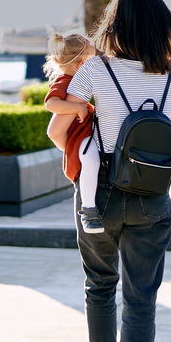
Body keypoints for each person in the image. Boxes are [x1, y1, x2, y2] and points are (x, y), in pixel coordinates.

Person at [60, 0, 171, 342]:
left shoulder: (96, 69)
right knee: (141, 299)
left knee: (100, 286)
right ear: (162, 24)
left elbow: (63, 123)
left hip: (100, 196)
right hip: (152, 199)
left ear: (115, 23)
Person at [43, 32, 104, 234]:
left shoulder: (72, 80)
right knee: (91, 160)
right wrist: (76, 108)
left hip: (83, 135)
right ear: (81, 66)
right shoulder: (66, 81)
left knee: (91, 160)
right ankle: (88, 209)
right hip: (81, 137)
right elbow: (51, 103)